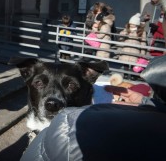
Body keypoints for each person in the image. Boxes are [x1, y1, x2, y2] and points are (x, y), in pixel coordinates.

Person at [20, 55, 166, 161]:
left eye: (70, 85)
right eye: (39, 83)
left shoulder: (83, 144)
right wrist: (150, 104)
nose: (52, 100)